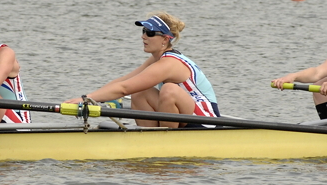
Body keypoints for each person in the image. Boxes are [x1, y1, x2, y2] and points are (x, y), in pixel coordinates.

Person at [69, 13, 220, 128]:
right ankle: (149, 138)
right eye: (143, 31)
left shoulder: (170, 63)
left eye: (150, 33)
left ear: (165, 39)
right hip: (184, 115)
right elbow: (124, 81)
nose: (143, 36)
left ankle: (165, 141)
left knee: (169, 89)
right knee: (139, 91)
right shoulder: (157, 59)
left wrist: (84, 99)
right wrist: (91, 99)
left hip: (205, 120)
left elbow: (123, 89)